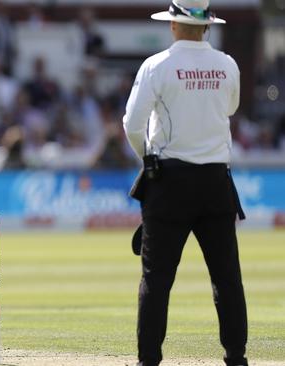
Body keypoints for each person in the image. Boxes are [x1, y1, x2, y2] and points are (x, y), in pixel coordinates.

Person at [122, 1, 248, 366]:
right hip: (215, 181)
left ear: (174, 26)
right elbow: (231, 109)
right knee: (227, 277)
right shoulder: (227, 65)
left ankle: (148, 360)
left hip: (169, 180)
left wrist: (147, 157)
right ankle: (236, 357)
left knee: (156, 278)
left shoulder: (157, 65)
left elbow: (132, 124)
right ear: (206, 27)